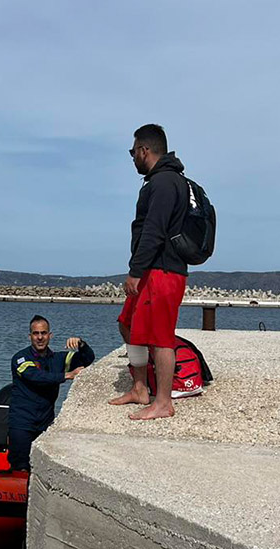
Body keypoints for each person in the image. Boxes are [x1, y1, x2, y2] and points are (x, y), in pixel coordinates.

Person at [109, 123, 190, 420]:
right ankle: (140, 387)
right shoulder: (158, 181)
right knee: (128, 324)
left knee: (160, 338)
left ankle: (163, 402)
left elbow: (154, 231)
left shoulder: (165, 182)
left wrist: (135, 271)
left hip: (163, 271)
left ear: (144, 150)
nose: (132, 158)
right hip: (152, 270)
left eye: (133, 152)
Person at [8, 315, 94, 472]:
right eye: (36, 333)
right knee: (20, 467)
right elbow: (36, 377)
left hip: (45, 424)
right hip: (22, 423)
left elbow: (87, 359)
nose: (40, 337)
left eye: (43, 333)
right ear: (30, 336)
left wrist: (81, 344)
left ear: (50, 335)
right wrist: (67, 375)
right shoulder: (20, 359)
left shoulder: (59, 358)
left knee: (42, 469)